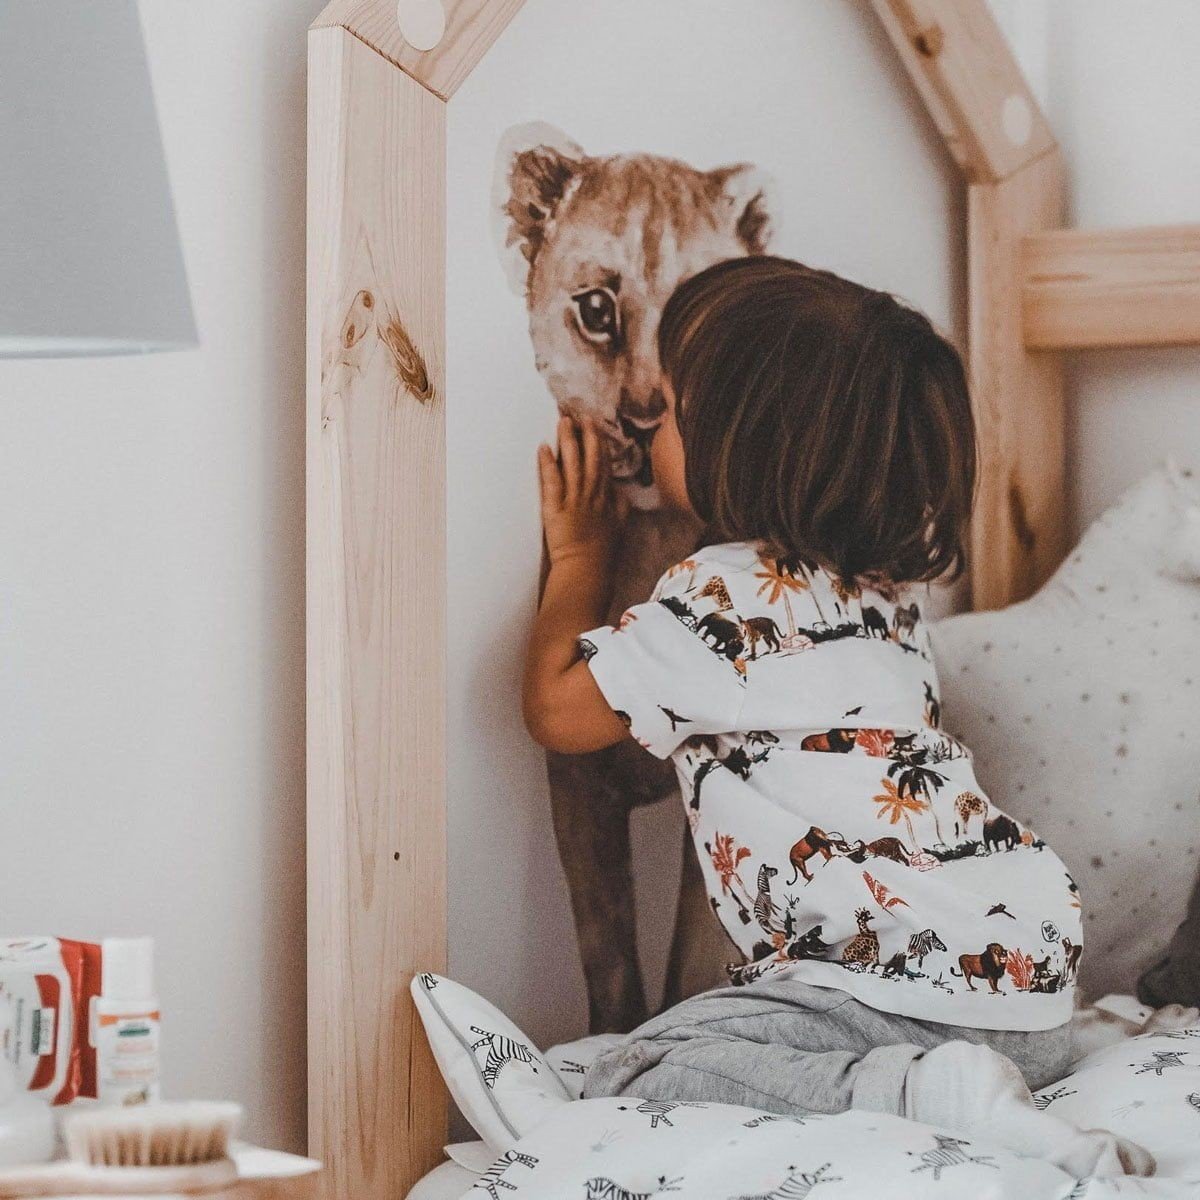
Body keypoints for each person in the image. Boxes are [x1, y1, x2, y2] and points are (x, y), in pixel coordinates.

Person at [522, 256, 1152, 1178]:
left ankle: (916, 1093)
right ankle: (990, 1073)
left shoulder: (719, 598)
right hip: (1032, 995)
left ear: (746, 451)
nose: (648, 421)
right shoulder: (885, 596)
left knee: (639, 1064)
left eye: (675, 410)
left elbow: (557, 711)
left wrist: (580, 554)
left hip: (892, 996)